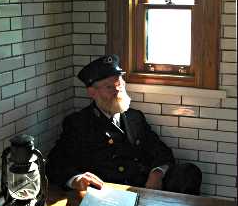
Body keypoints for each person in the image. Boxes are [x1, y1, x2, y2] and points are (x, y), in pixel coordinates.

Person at [46, 54, 202, 194]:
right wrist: (78, 180)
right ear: (92, 92)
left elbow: (161, 151)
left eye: (119, 84)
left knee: (189, 172)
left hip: (141, 188)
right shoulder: (78, 123)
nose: (117, 90)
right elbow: (55, 163)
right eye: (109, 87)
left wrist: (157, 173)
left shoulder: (134, 118)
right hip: (107, 192)